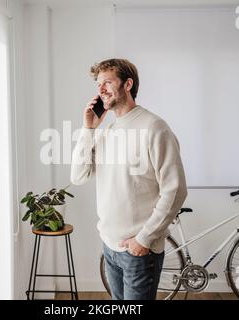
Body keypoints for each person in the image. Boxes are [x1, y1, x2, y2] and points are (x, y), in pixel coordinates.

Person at [71, 58, 187, 300]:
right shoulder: (108, 131)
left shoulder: (155, 128)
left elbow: (175, 191)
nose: (100, 89)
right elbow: (78, 175)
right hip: (110, 247)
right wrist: (88, 129)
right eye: (98, 84)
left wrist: (143, 239)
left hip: (139, 252)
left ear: (127, 84)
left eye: (107, 82)